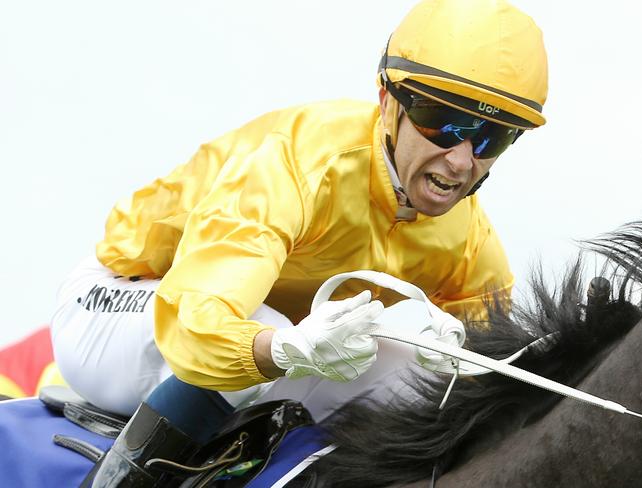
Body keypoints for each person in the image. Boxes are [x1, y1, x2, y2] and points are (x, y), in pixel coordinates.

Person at [50, 0, 548, 485]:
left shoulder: (470, 237)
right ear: (387, 100)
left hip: (267, 336)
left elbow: (492, 360)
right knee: (263, 327)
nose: (462, 161)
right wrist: (283, 348)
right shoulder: (295, 164)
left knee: (417, 381)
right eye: (445, 122)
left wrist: (467, 364)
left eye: (490, 137)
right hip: (121, 304)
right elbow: (194, 326)